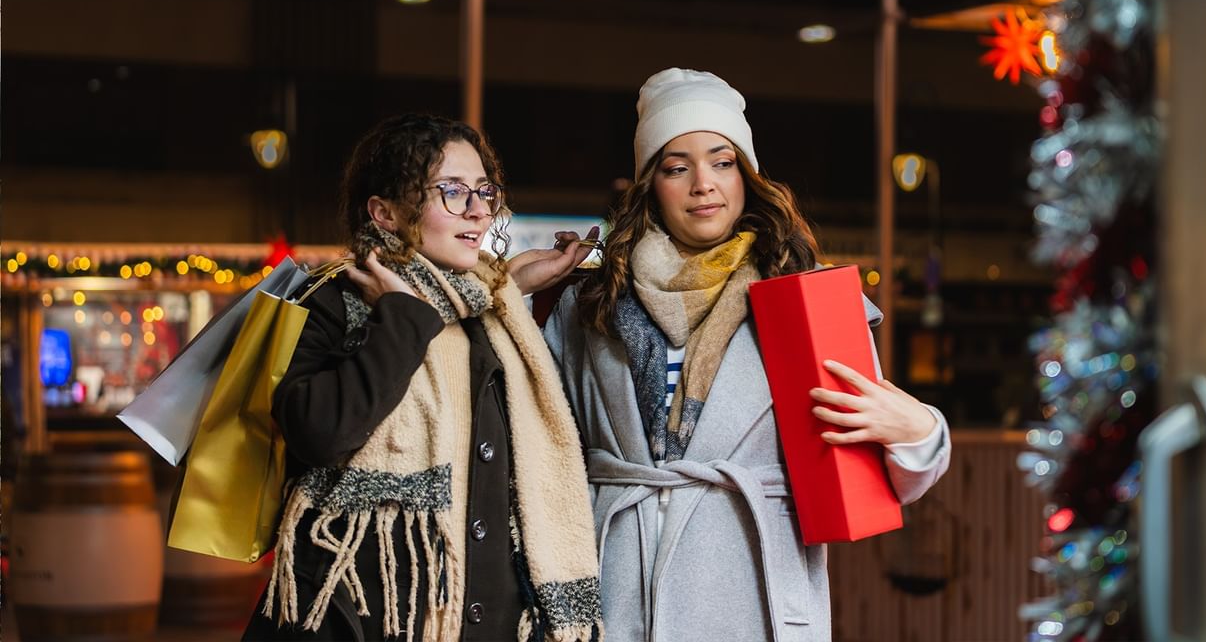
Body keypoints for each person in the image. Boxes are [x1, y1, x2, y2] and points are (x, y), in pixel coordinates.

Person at [543, 68, 952, 641]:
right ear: (648, 185)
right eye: (676, 167)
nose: (702, 184)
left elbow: (873, 477)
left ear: (747, 175)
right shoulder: (591, 305)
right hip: (614, 594)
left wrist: (920, 433)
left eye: (722, 161)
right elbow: (536, 451)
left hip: (750, 594)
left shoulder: (805, 300)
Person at [243, 112, 604, 642]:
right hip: (372, 616)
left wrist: (506, 288)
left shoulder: (491, 310)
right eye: (452, 191)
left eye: (484, 190)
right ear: (384, 212)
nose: (479, 209)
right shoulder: (335, 302)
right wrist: (403, 315)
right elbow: (320, 431)